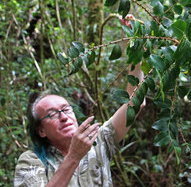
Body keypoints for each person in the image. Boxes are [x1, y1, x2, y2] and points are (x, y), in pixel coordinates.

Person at [14, 58, 145, 187]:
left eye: (66, 109)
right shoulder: (31, 161)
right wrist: (73, 156)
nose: (64, 117)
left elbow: (136, 103)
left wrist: (135, 53)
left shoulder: (98, 141)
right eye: (52, 114)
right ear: (41, 131)